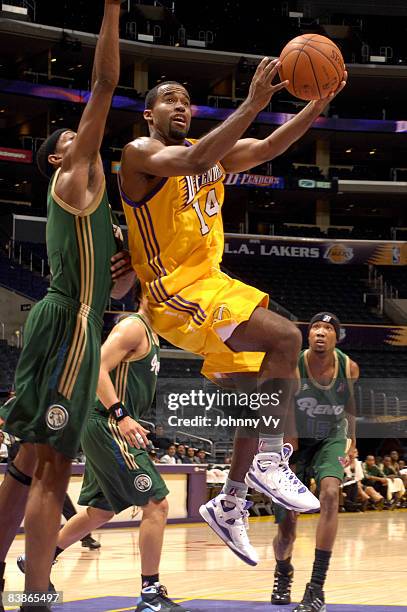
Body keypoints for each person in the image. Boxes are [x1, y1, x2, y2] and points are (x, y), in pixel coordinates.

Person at [119, 61, 347, 565]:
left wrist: (317, 103)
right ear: (149, 112)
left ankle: (232, 501)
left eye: (185, 99)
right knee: (288, 338)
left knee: (252, 400)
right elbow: (194, 159)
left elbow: (269, 148)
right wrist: (253, 103)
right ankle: (271, 457)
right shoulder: (142, 153)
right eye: (169, 98)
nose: (180, 105)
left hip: (213, 286)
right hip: (173, 292)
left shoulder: (214, 156)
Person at [0, 3, 132, 610]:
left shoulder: (93, 207)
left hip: (68, 317)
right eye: (73, 138)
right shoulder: (75, 178)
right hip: (70, 327)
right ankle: (35, 596)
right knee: (54, 466)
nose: (87, 137)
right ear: (58, 158)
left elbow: (119, 293)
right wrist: (110, 9)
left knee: (25, 463)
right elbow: (105, 83)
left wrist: (121, 279)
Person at [18, 284, 187, 612]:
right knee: (157, 503)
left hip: (106, 423)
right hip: (107, 422)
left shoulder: (153, 336)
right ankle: (150, 595)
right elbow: (95, 368)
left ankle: (38, 559)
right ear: (146, 295)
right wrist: (120, 414)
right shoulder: (133, 326)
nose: (172, 299)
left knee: (102, 510)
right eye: (165, 292)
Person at [271, 312, 359, 612]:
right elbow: (282, 404)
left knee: (332, 494)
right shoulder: (293, 363)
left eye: (327, 328)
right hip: (292, 439)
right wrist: (290, 438)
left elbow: (349, 406)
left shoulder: (349, 367)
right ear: (308, 336)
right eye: (315, 328)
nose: (320, 332)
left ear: (337, 335)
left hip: (329, 437)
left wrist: (353, 441)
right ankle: (283, 572)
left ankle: (316, 588)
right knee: (286, 528)